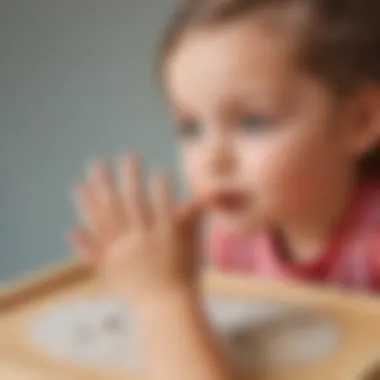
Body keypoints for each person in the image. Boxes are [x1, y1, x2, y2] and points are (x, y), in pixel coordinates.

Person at [70, 1, 380, 379]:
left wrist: (162, 298)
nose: (212, 160)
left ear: (359, 122)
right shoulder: (231, 243)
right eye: (190, 128)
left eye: (252, 122)